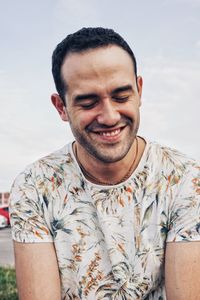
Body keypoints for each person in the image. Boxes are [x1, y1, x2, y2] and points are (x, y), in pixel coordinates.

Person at [9, 27, 200, 300]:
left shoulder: (185, 180)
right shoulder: (34, 188)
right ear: (61, 107)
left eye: (122, 97)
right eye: (88, 102)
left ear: (139, 90)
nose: (110, 117)